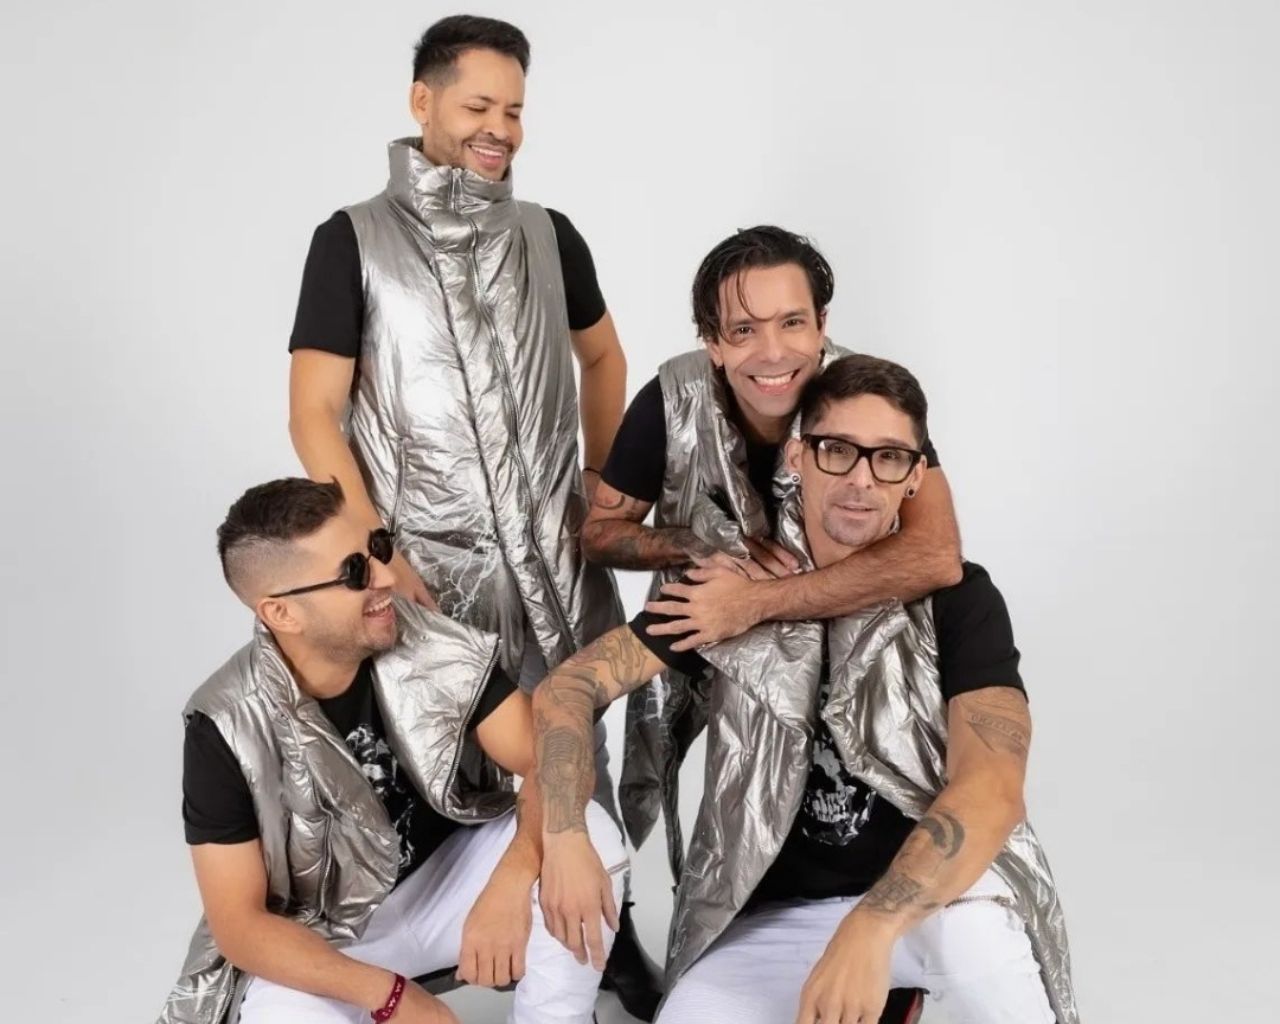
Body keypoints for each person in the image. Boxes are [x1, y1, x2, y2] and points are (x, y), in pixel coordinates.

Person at [284, 15, 659, 1012]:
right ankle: (433, 944)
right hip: (429, 575)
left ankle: (605, 932)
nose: (500, 129)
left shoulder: (548, 233)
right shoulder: (353, 240)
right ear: (423, 102)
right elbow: (314, 411)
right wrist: (376, 549)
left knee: (577, 750)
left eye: (515, 110)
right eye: (478, 105)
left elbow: (603, 357)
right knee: (438, 764)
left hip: (556, 567)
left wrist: (600, 485)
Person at [532, 356, 1078, 1023]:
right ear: (797, 457)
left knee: (981, 955)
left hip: (932, 901)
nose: (860, 480)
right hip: (778, 916)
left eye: (889, 458)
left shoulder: (960, 598)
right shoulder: (732, 593)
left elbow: (993, 787)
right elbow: (570, 687)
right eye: (837, 450)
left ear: (915, 477)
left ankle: (886, 984)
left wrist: (872, 927)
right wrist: (566, 833)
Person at [157, 478, 625, 1024]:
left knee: (589, 834)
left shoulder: (419, 634)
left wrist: (515, 872)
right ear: (282, 614)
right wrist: (393, 997)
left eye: (377, 548)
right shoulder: (224, 721)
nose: (384, 576)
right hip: (330, 932)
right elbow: (239, 926)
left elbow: (552, 757)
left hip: (450, 877)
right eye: (354, 572)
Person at [582, 226, 960, 883]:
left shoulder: (864, 402)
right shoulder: (670, 398)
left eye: (792, 322)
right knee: (659, 758)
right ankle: (637, 909)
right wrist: (695, 542)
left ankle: (872, 898)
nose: (774, 352)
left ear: (822, 325)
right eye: (744, 330)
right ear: (712, 342)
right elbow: (599, 532)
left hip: (848, 621)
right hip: (704, 611)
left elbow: (936, 553)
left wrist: (757, 601)